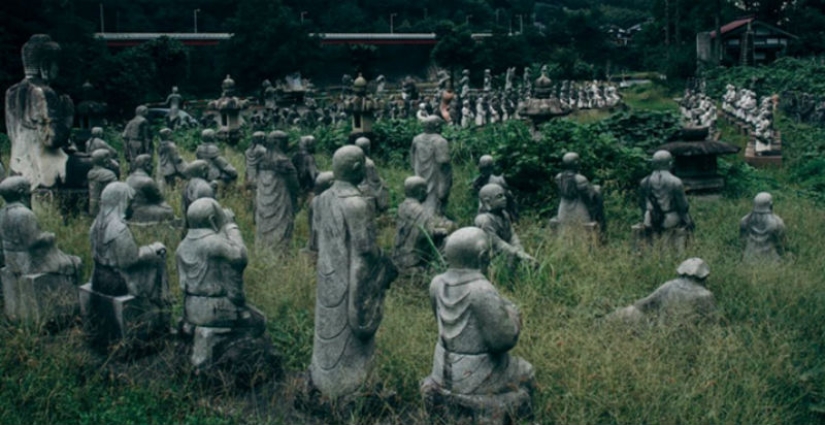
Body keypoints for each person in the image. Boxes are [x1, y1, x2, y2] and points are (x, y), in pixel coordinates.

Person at [309, 145, 397, 399]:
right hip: (352, 275)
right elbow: (366, 248)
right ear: (358, 169)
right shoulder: (357, 203)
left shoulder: (322, 199)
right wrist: (387, 265)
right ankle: (351, 385)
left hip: (328, 272)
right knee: (352, 334)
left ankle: (325, 378)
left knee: (328, 327)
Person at [421, 226, 535, 399]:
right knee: (526, 370)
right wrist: (513, 314)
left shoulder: (436, 283)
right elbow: (503, 341)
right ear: (482, 257)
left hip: (441, 368)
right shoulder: (481, 290)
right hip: (477, 374)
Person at [90, 182, 168, 307]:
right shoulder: (119, 229)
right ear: (121, 203)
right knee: (159, 257)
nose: (133, 206)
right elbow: (129, 260)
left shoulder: (96, 224)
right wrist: (153, 249)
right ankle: (156, 304)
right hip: (118, 281)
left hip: (98, 277)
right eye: (130, 202)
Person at [0, 176, 81, 278]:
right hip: (30, 261)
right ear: (21, 193)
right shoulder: (25, 214)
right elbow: (32, 241)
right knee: (72, 262)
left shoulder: (2, 213)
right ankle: (64, 291)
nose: (30, 195)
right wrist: (49, 236)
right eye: (28, 191)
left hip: (11, 258)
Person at [392, 176, 455, 272]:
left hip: (398, 255)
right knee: (446, 241)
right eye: (426, 191)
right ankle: (435, 267)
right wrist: (438, 233)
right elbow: (425, 237)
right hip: (412, 258)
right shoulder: (421, 212)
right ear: (421, 192)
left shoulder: (402, 207)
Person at [639, 150, 694, 252]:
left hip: (650, 218)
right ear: (670, 163)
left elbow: (642, 204)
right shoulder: (675, 182)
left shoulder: (644, 181)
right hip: (670, 218)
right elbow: (683, 206)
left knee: (653, 244)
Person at [255, 131, 299, 253]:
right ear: (279, 143)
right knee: (282, 227)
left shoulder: (262, 161)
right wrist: (296, 201)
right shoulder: (284, 162)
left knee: (264, 228)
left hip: (263, 203)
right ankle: (280, 256)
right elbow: (294, 186)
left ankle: (263, 254)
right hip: (281, 201)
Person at [475, 184, 535, 266]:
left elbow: (512, 235)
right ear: (488, 202)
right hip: (491, 256)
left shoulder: (504, 214)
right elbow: (495, 242)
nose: (504, 198)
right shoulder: (484, 220)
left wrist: (519, 248)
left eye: (504, 195)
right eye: (499, 196)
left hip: (507, 251)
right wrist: (517, 253)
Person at [550, 152, 605, 232]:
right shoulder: (580, 179)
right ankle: (601, 229)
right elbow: (590, 197)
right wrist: (597, 190)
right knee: (598, 193)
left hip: (563, 211)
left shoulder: (559, 177)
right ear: (576, 164)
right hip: (579, 212)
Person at [411, 116, 452, 216]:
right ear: (437, 126)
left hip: (419, 173)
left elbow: (412, 156)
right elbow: (444, 162)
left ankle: (420, 215)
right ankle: (432, 218)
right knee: (433, 198)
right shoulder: (440, 141)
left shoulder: (416, 139)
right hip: (435, 175)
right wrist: (445, 183)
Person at [740, 192, 785, 263]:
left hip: (749, 260)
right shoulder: (777, 222)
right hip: (771, 262)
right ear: (771, 205)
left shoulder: (745, 220)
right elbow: (780, 243)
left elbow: (742, 241)